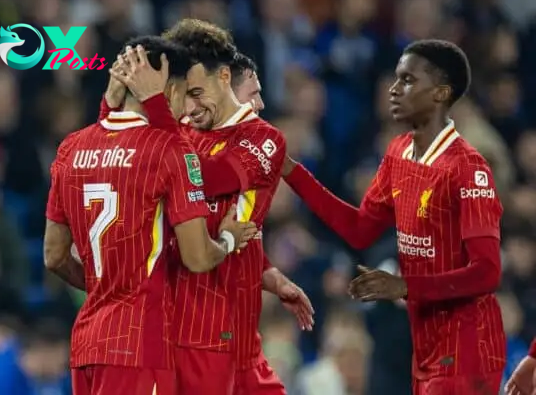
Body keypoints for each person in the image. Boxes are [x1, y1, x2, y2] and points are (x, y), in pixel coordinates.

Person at [282, 39, 506, 395]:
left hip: (466, 347)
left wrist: (405, 286)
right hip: (422, 343)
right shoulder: (399, 152)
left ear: (440, 93)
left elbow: (486, 271)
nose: (394, 89)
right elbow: (359, 230)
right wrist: (292, 172)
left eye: (408, 80)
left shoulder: (469, 169)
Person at [43, 36, 257, 395]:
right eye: (187, 91)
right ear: (166, 88)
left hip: (87, 344)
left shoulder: (72, 147)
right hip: (140, 343)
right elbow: (199, 257)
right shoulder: (170, 150)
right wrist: (229, 238)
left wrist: (106, 288)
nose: (190, 107)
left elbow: (54, 255)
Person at [109, 20, 290, 395]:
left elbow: (206, 178)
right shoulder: (180, 133)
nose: (188, 107)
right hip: (162, 320)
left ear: (224, 77)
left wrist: (157, 108)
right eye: (180, 95)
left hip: (214, 324)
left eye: (196, 92)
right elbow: (119, 155)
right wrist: (112, 100)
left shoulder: (263, 139)